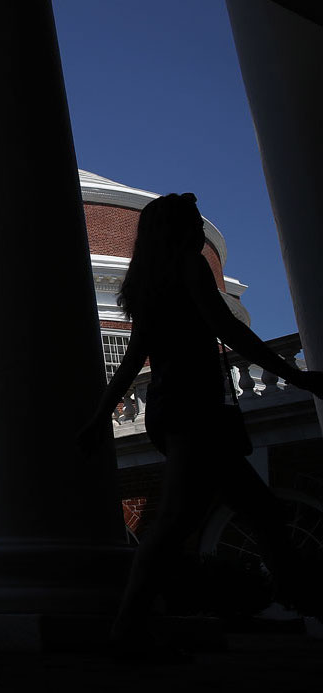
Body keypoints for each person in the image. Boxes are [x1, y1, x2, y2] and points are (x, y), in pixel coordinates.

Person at [79, 192, 323, 652]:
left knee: (256, 510)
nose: (196, 224)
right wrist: (295, 375)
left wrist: (98, 416)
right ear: (179, 227)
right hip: (196, 408)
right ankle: (127, 627)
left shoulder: (147, 282)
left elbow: (133, 358)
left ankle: (302, 596)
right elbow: (227, 328)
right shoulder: (189, 265)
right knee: (176, 520)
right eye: (191, 218)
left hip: (172, 407)